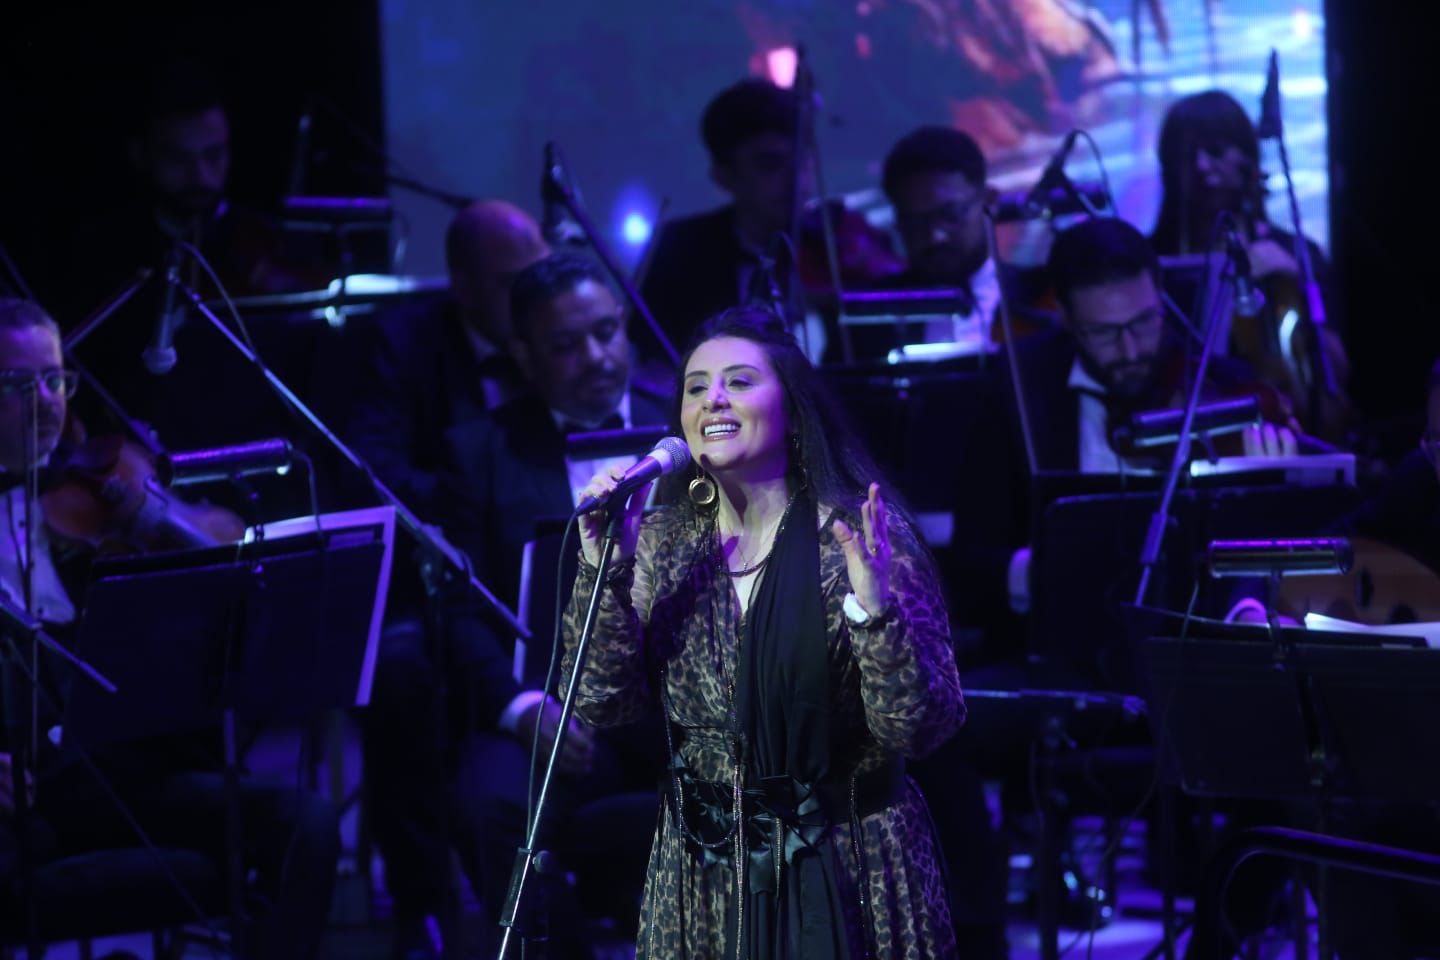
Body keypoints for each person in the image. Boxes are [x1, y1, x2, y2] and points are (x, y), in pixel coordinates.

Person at [563, 306, 965, 957]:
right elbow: (602, 705)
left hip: (850, 864)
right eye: (696, 387)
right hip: (702, 875)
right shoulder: (662, 547)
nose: (713, 399)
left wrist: (875, 614)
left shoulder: (858, 540)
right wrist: (602, 568)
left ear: (792, 410)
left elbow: (923, 728)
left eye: (740, 381)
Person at [0, 298, 339, 959]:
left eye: (55, 380)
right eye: (18, 385)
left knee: (306, 823)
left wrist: (156, 523)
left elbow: (231, 585)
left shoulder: (93, 499)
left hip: (125, 776)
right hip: (25, 793)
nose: (45, 403)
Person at [365, 253, 667, 959]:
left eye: (606, 332)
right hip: (552, 713)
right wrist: (521, 707)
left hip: (680, 711)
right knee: (485, 805)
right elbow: (457, 610)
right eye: (566, 345)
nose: (596, 357)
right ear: (524, 357)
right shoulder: (479, 452)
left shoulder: (685, 429)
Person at [1150, 90, 1348, 435]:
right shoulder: (1151, 260)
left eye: (1215, 151)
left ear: (1247, 158)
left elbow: (1339, 370)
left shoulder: (1295, 252)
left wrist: (1297, 281)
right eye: (1186, 156)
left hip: (1288, 428)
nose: (1200, 166)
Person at [340, 199, 550, 524]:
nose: (535, 298)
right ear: (464, 287)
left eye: (541, 276)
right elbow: (371, 469)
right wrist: (466, 500)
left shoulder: (558, 332)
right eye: (513, 283)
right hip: (450, 532)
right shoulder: (404, 343)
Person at [641, 79, 825, 362]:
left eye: (802, 161)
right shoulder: (679, 253)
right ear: (723, 177)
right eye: (769, 165)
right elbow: (653, 361)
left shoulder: (841, 247)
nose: (795, 181)